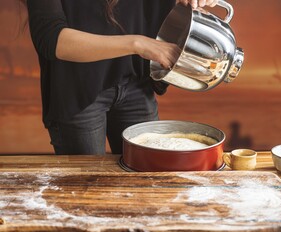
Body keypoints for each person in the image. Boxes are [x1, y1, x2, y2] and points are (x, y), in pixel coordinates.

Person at [23, 0, 219, 155]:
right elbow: (51, 38)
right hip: (78, 90)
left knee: (146, 183)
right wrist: (137, 44)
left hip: (137, 85)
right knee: (87, 189)